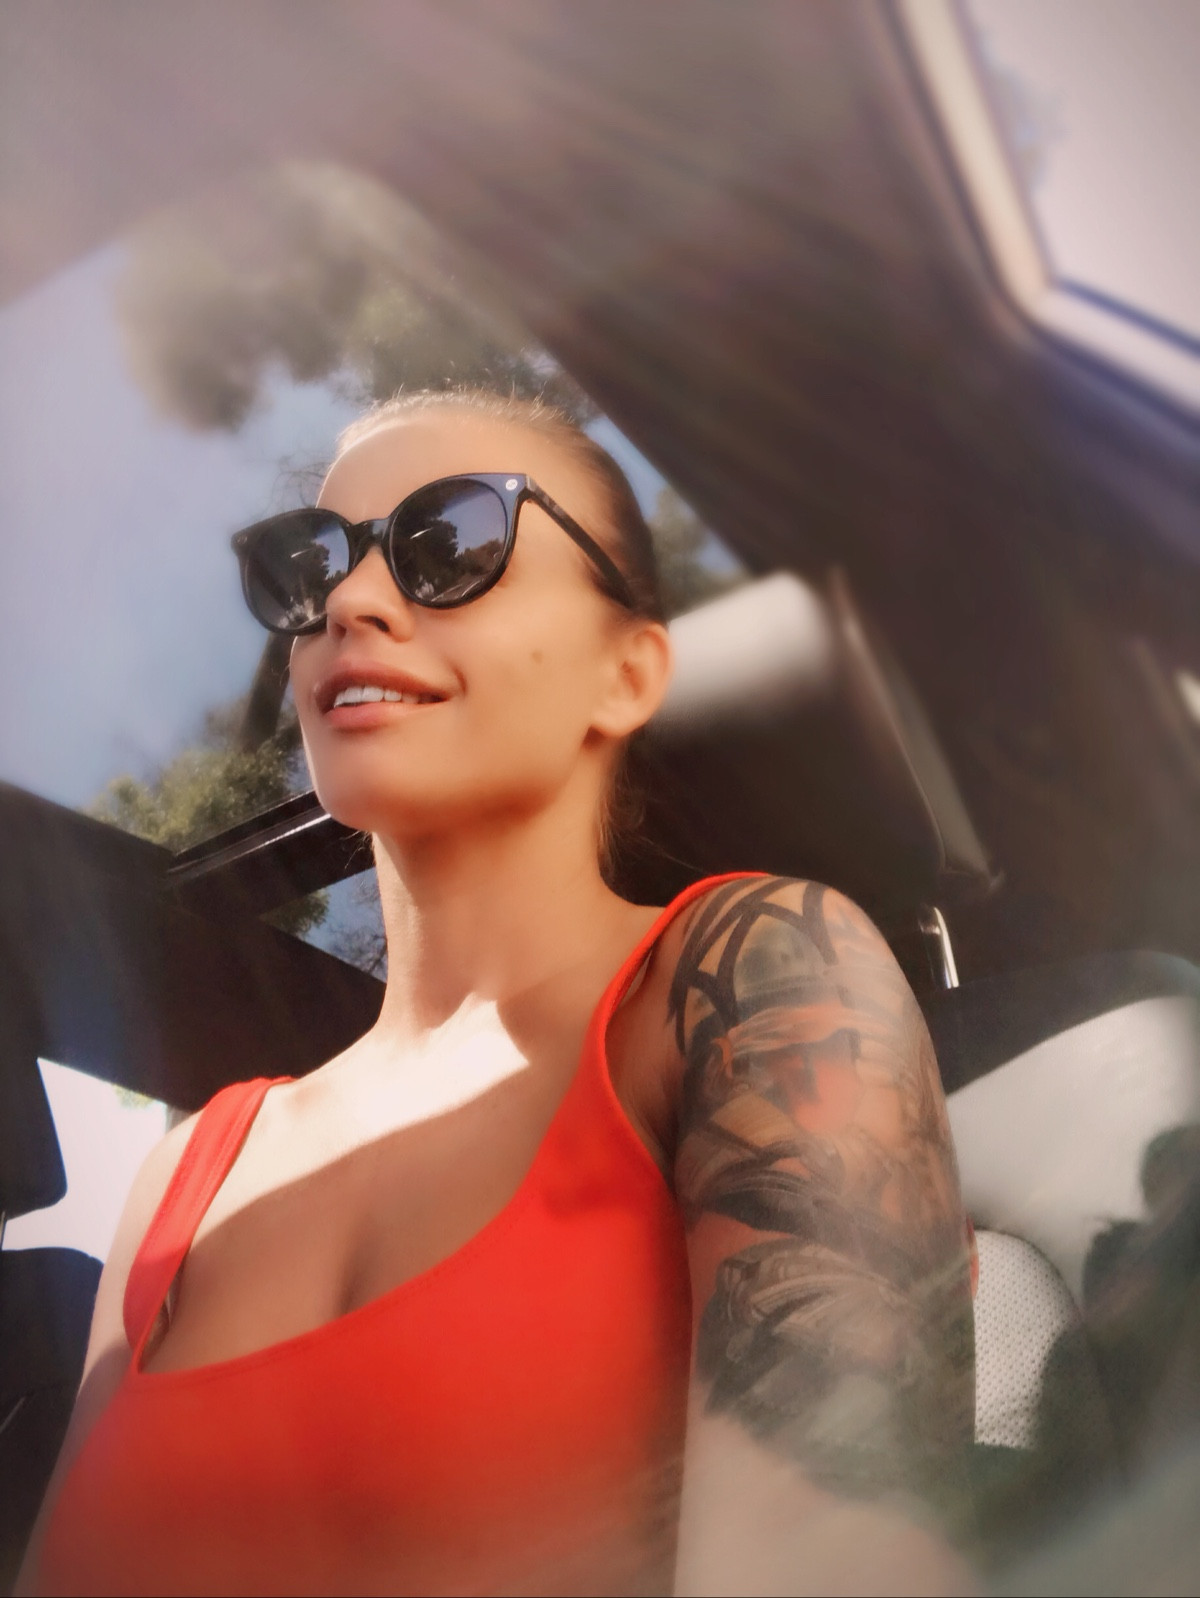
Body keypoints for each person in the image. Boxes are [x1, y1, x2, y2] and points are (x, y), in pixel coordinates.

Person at [21, 390, 975, 1596]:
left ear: (626, 673)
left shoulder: (749, 971)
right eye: (311, 565)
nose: (351, 603)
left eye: (450, 542)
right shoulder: (178, 1177)